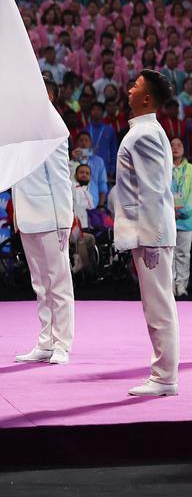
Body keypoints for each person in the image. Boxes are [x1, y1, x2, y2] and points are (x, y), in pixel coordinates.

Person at [114, 70, 179, 397]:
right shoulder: (145, 131)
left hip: (151, 232)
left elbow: (153, 191)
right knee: (157, 305)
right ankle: (164, 374)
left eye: (135, 86)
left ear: (147, 98)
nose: (129, 90)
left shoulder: (145, 134)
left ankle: (165, 377)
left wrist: (151, 239)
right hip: (149, 230)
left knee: (158, 307)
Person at [13, 79, 74, 364]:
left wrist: (65, 220)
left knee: (58, 283)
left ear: (49, 95)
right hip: (26, 216)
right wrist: (16, 215)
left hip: (51, 217)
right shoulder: (21, 128)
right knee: (40, 284)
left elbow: (61, 178)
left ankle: (62, 343)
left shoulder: (55, 128)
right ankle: (46, 341)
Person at [171, 136, 192, 299]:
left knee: (183, 254)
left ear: (184, 149)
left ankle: (182, 286)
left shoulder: (191, 169)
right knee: (168, 254)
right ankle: (169, 286)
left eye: (179, 145)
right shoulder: (163, 169)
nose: (175, 148)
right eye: (172, 145)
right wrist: (170, 211)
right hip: (167, 218)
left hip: (187, 219)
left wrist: (184, 211)